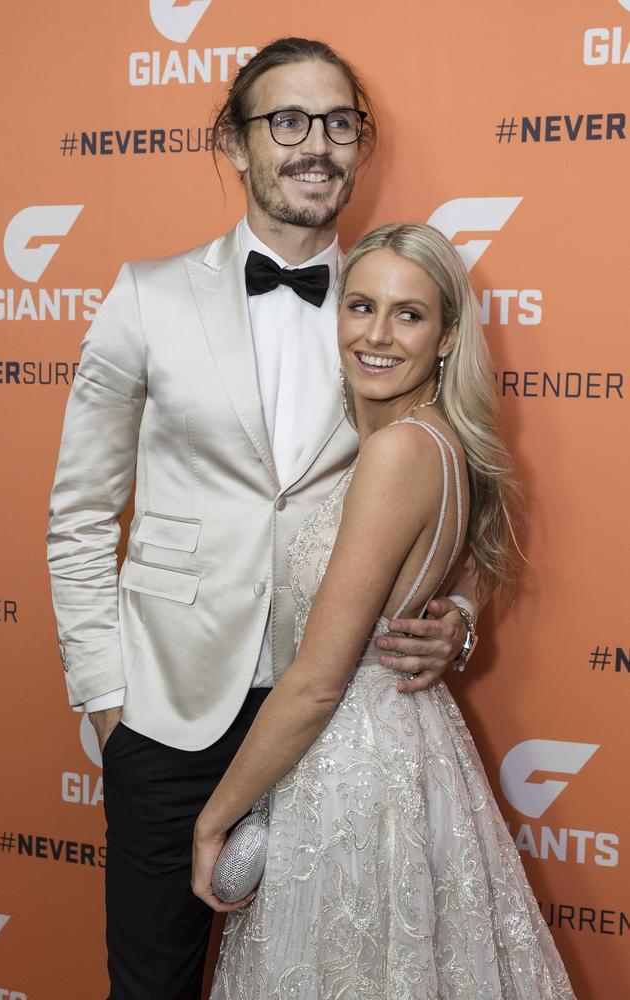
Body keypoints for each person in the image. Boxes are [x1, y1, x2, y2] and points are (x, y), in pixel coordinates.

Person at [46, 39, 478, 1000]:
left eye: (337, 123)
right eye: (286, 120)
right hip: (165, 716)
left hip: (328, 729)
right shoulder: (147, 296)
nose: (314, 144)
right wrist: (111, 710)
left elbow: (451, 485)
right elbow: (78, 516)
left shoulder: (382, 311)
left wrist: (460, 616)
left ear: (359, 147)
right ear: (235, 145)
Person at [192, 223, 576, 999]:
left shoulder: (399, 451)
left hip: (351, 767)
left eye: (408, 314)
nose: (376, 333)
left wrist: (213, 819)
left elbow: (316, 684)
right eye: (360, 305)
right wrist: (461, 613)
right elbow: (463, 558)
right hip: (403, 748)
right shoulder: (433, 440)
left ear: (446, 337)